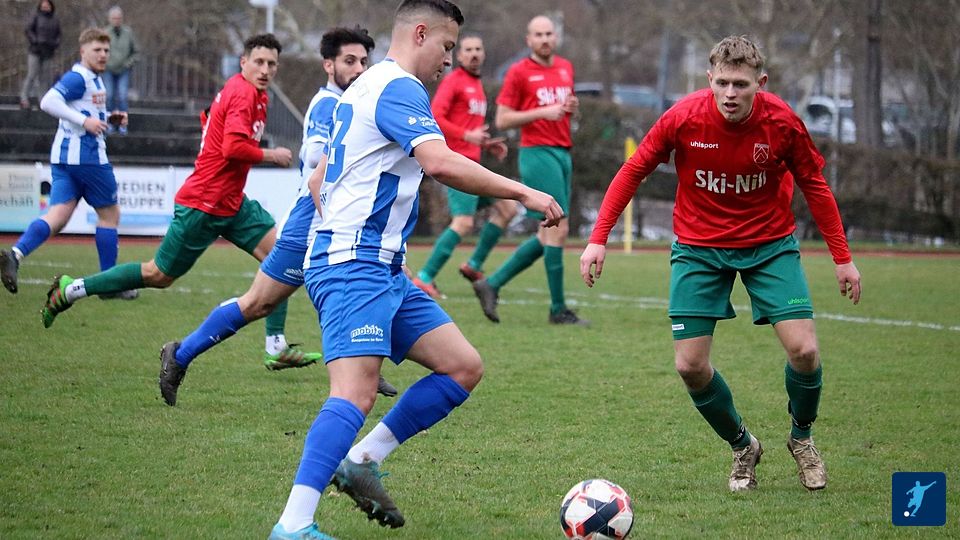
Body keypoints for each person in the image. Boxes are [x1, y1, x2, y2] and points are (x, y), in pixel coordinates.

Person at [268, 1, 562, 538]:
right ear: (420, 33)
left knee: (462, 366)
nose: (450, 59)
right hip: (353, 264)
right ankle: (292, 525)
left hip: (381, 266)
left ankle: (362, 460)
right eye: (447, 46)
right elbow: (440, 163)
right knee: (354, 393)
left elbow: (317, 180)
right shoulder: (398, 87)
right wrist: (522, 191)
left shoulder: (364, 86)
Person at [579, 35, 862, 493]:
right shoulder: (683, 117)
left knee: (805, 351)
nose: (730, 94)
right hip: (698, 247)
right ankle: (743, 445)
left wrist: (843, 259)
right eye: (722, 83)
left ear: (760, 83)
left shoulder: (782, 122)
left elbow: (814, 184)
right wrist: (598, 238)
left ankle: (802, 438)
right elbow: (633, 170)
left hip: (769, 244)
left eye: (741, 85)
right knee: (689, 365)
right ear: (709, 78)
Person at [40, 34, 322, 371]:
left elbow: (208, 119)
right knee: (157, 274)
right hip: (203, 204)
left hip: (231, 202)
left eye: (271, 64)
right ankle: (72, 289)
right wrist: (270, 154)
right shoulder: (244, 93)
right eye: (258, 62)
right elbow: (232, 147)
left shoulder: (251, 93)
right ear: (243, 62)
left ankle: (275, 345)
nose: (265, 70)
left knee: (279, 257)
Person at [157, 26, 397, 406]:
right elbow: (314, 155)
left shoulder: (355, 102)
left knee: (366, 284)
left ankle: (363, 362)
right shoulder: (328, 104)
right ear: (328, 65)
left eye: (364, 61)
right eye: (349, 61)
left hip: (339, 219)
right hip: (312, 222)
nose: (359, 69)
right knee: (259, 303)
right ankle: (180, 354)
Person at [1, 28, 135, 301]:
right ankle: (108, 285)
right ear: (83, 51)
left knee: (58, 216)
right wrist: (85, 122)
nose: (103, 55)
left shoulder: (93, 79)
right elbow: (48, 102)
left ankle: (15, 255)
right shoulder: (79, 77)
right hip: (88, 158)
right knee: (110, 216)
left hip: (64, 159)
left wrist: (108, 118)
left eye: (106, 50)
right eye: (97, 50)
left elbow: (83, 111)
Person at [470, 15, 585, 325]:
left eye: (549, 33)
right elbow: (503, 119)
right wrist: (543, 112)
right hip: (537, 152)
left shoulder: (565, 67)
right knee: (557, 226)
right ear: (529, 40)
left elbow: (562, 109)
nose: (545, 39)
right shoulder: (519, 72)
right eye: (539, 34)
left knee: (547, 233)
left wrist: (569, 109)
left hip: (563, 151)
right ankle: (557, 309)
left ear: (555, 37)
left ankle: (491, 284)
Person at [411, 33, 513, 299]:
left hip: (472, 162)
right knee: (464, 222)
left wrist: (485, 144)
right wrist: (467, 136)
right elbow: (435, 116)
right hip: (457, 163)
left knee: (508, 207)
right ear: (459, 55)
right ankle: (424, 278)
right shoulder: (454, 81)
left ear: (484, 54)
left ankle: (474, 265)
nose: (474, 54)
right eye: (468, 50)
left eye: (478, 49)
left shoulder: (476, 85)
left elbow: (468, 127)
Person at [101, 6, 139, 134]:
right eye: (114, 18)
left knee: (122, 96)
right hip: (108, 69)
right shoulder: (105, 33)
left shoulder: (128, 33)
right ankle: (110, 123)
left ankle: (123, 123)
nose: (116, 20)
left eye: (118, 18)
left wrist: (128, 63)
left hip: (123, 69)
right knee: (109, 96)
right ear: (109, 19)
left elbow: (136, 52)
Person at [19, 0, 61, 110]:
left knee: (45, 77)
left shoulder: (55, 19)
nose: (45, 7)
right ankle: (24, 97)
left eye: (47, 6)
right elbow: (28, 30)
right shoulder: (36, 17)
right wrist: (35, 40)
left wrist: (55, 43)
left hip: (48, 51)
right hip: (35, 50)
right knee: (32, 74)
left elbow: (58, 34)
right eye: (44, 6)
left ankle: (42, 100)